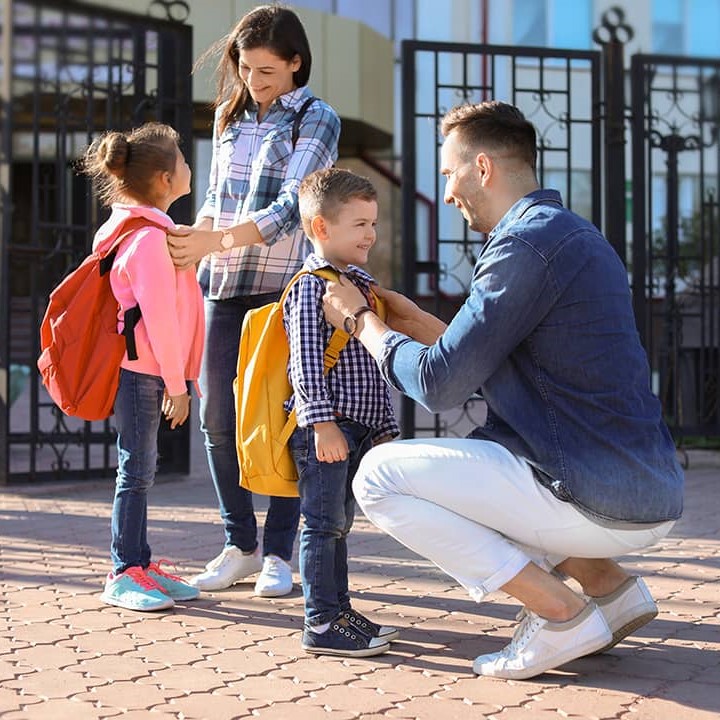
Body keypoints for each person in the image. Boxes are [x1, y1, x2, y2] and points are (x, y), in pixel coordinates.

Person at [322, 101, 684, 679]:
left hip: (594, 491)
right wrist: (414, 322)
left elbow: (441, 386)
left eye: (448, 175)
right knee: (478, 466)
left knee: (380, 477)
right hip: (643, 486)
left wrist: (360, 324)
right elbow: (495, 365)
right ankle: (610, 588)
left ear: (482, 168)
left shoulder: (524, 247)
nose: (446, 195)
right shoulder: (573, 235)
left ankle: (561, 614)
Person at [166, 6, 341, 597]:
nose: (254, 81)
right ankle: (238, 544)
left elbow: (295, 206)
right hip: (222, 283)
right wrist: (195, 245)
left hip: (283, 285)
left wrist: (219, 239)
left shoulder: (318, 119)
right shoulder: (228, 116)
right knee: (218, 416)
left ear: (296, 63)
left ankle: (279, 554)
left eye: (267, 71)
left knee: (282, 418)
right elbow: (217, 194)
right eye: (245, 69)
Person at [82, 123, 204, 612]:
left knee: (141, 468)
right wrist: (177, 386)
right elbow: (159, 319)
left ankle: (140, 562)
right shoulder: (148, 240)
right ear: (163, 178)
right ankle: (123, 571)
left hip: (143, 368)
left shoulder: (132, 227)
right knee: (135, 470)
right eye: (183, 160)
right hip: (143, 371)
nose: (190, 166)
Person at [286, 168, 400, 657]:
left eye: (373, 223)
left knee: (340, 525)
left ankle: (340, 610)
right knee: (321, 524)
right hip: (326, 429)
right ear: (321, 228)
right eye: (359, 224)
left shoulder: (360, 285)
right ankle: (319, 621)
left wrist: (383, 428)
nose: (371, 234)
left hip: (354, 429)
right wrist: (322, 422)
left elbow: (373, 365)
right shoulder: (312, 287)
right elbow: (305, 362)